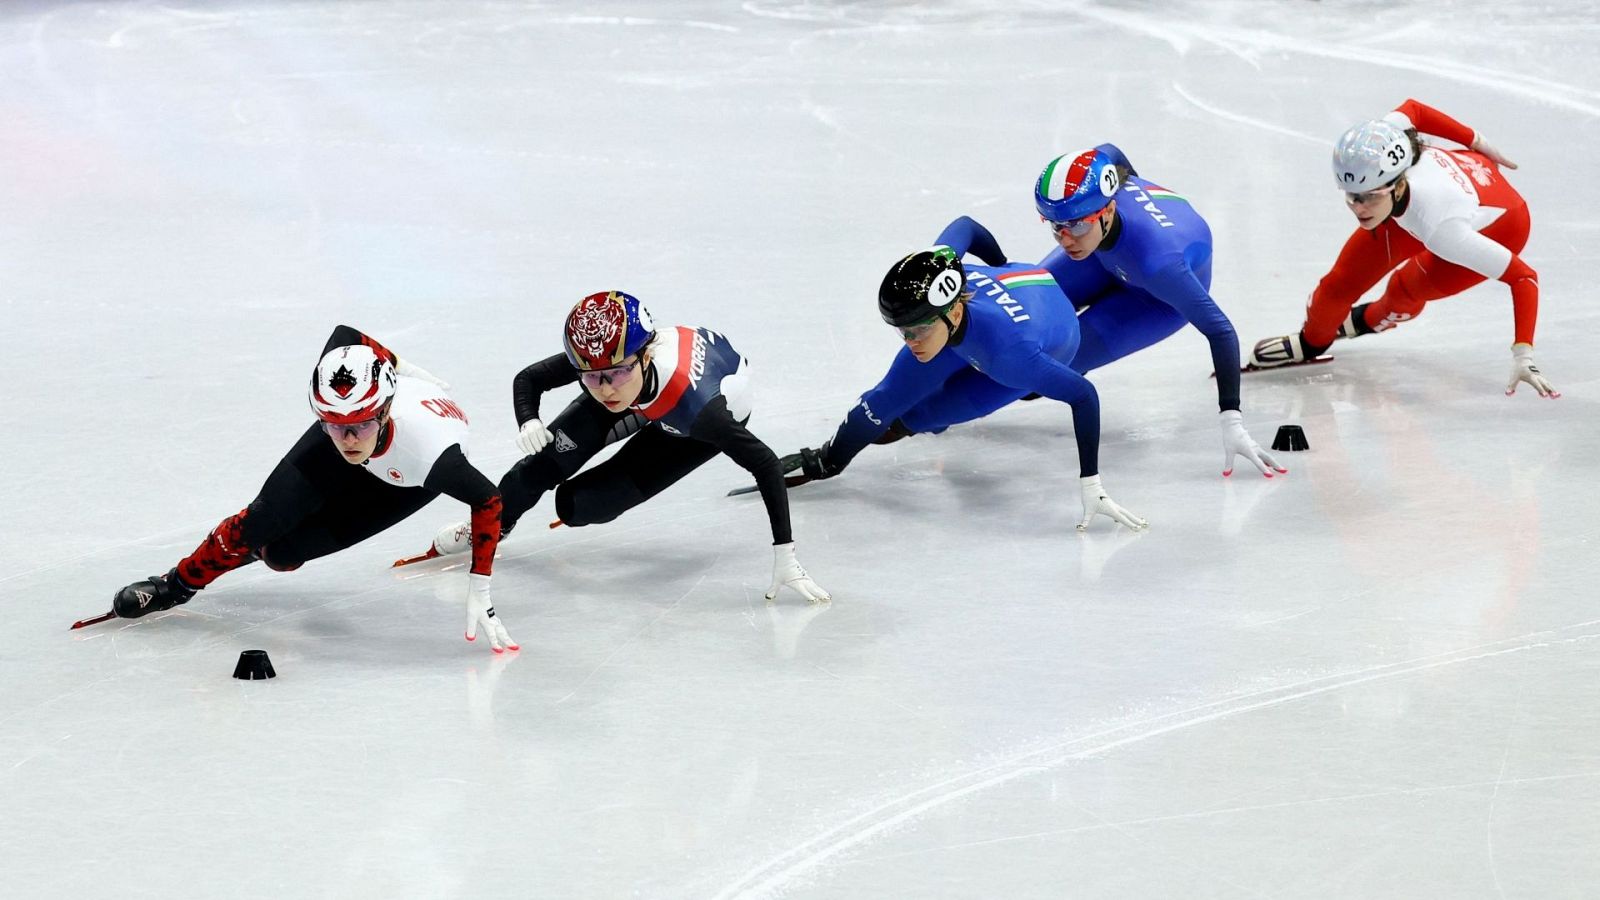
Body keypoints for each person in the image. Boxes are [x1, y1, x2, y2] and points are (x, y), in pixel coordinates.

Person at [110, 325, 517, 652]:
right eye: (333, 425)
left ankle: (257, 549)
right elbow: (345, 336)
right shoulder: (345, 421)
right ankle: (174, 585)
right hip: (386, 431)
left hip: (403, 479)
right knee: (260, 519)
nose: (348, 439)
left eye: (359, 425)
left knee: (282, 554)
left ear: (387, 410)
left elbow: (489, 499)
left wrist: (480, 585)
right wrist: (398, 363)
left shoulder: (431, 456)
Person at [896, 143, 1280, 478]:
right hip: (1106, 254)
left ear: (1108, 209)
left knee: (1044, 367)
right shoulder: (1092, 210)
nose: (1065, 238)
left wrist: (1231, 418)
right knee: (1023, 311)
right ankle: (940, 374)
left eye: (1074, 226)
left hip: (1153, 302)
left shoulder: (1162, 264)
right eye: (1055, 226)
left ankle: (934, 413)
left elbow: (1221, 330)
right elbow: (1110, 151)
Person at [421, 291, 830, 603]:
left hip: (686, 428)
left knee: (579, 505)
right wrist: (529, 419)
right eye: (590, 377)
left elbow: (766, 465)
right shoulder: (607, 360)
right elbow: (528, 379)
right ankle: (492, 529)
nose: (604, 389)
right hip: (654, 393)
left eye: (615, 374)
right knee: (539, 468)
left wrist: (785, 555)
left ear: (646, 354)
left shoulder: (699, 409)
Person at [784, 246, 1147, 532]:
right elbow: (966, 228)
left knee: (924, 416)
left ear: (953, 313)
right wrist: (828, 460)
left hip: (1049, 341)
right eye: (903, 331)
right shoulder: (941, 276)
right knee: (887, 400)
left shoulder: (1011, 357)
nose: (911, 341)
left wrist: (1091, 485)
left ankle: (1012, 391)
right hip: (1009, 295)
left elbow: (1084, 395)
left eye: (918, 330)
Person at [1248, 99, 1558, 398]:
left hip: (1502, 225)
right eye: (1351, 195)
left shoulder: (1443, 231)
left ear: (1396, 185)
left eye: (1368, 196)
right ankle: (1312, 342)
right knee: (1336, 287)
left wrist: (1522, 353)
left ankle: (1367, 320)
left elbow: (1524, 278)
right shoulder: (1380, 142)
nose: (1358, 207)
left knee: (1405, 289)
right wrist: (1476, 139)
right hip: (1438, 191)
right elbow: (1415, 110)